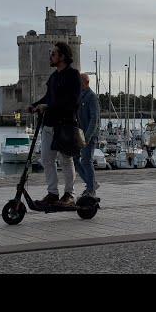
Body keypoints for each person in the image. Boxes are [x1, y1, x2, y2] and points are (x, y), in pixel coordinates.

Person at [28, 42, 81, 208]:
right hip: (49, 124)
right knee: (46, 159)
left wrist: (49, 107)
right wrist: (35, 105)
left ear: (62, 56)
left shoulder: (73, 75)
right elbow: (48, 97)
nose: (50, 56)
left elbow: (72, 101)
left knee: (66, 159)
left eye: (53, 54)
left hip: (65, 124)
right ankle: (52, 193)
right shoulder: (54, 76)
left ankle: (69, 194)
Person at [75, 73, 100, 197]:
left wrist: (87, 137)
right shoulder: (79, 96)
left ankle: (91, 189)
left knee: (86, 160)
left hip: (89, 135)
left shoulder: (92, 97)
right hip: (79, 134)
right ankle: (91, 183)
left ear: (84, 82)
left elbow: (94, 118)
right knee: (75, 159)